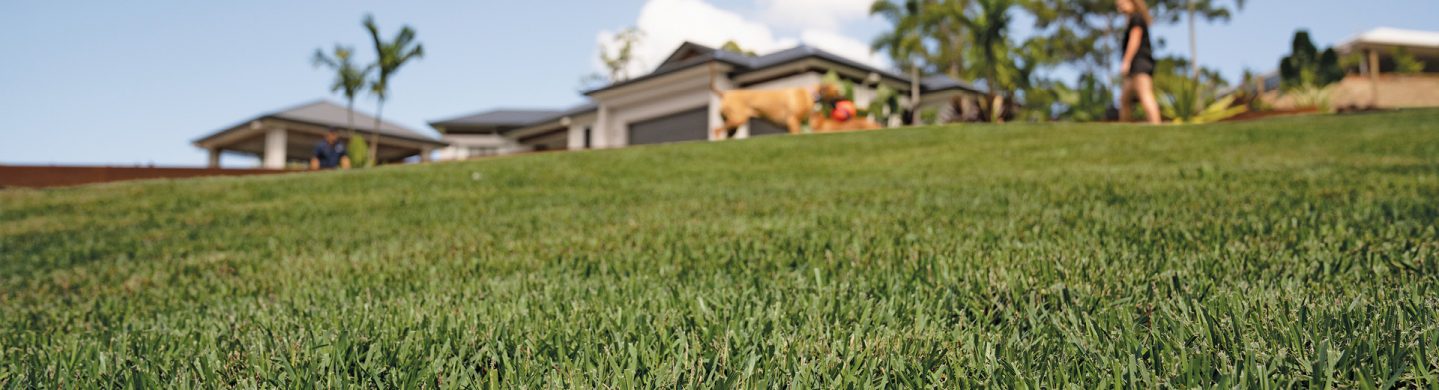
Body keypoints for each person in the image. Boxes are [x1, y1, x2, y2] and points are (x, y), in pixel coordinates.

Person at [1117, 0, 1162, 124]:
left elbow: (1135, 39)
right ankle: (1125, 130)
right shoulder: (1132, 19)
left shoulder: (1136, 18)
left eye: (1122, 2)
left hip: (1140, 63)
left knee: (1145, 95)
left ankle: (1157, 126)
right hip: (1137, 64)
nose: (1119, 5)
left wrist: (1126, 61)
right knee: (1124, 99)